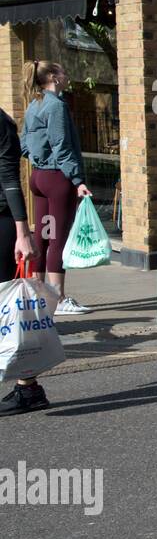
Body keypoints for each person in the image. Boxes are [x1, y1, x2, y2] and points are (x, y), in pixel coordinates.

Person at [19, 60, 93, 315]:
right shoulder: (56, 106)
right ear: (53, 76)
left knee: (42, 236)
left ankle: (40, 297)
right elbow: (62, 146)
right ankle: (58, 299)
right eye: (63, 71)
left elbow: (24, 145)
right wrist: (77, 180)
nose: (67, 75)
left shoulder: (34, 105)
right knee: (57, 239)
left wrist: (40, 158)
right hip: (57, 180)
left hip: (39, 178)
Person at [0, 104, 49, 416]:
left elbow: (8, 177)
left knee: (8, 313)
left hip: (2, 220)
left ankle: (29, 388)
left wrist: (22, 232)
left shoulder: (1, 124)